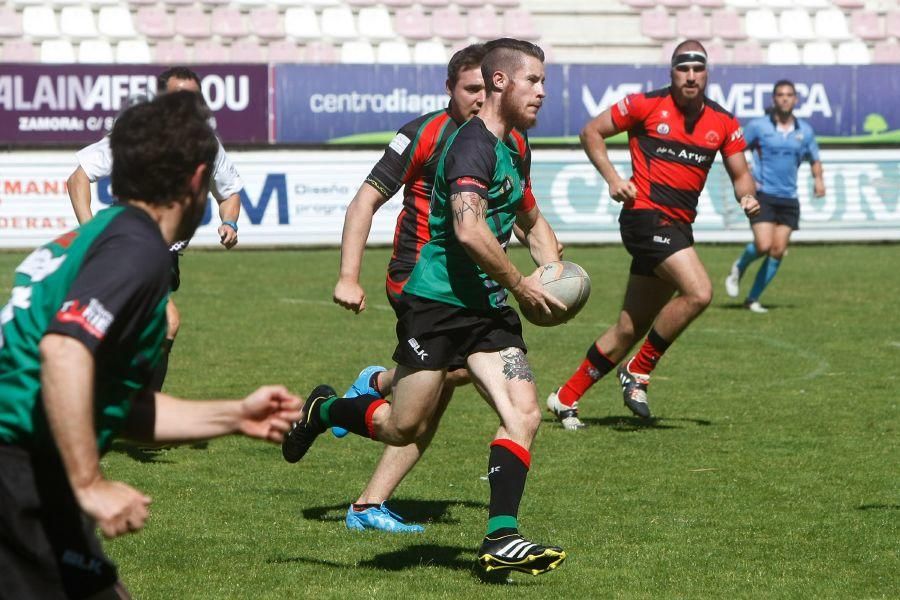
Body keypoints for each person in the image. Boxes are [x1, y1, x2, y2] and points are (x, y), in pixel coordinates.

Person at [0, 91, 301, 600]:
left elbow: (113, 406)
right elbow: (63, 351)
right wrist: (90, 481)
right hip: (20, 471)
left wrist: (233, 417)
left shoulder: (105, 234)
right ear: (197, 181)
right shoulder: (138, 251)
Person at [284, 38, 567, 576]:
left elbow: (529, 216)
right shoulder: (467, 146)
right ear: (501, 82)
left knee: (523, 414)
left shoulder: (516, 146)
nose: (543, 92)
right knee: (402, 427)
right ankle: (324, 411)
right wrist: (522, 285)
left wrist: (552, 270)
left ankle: (501, 535)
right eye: (533, 80)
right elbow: (468, 228)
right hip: (434, 302)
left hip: (486, 307)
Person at [546, 40, 760, 428]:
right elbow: (591, 132)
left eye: (697, 69)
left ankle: (565, 397)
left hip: (677, 226)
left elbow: (741, 175)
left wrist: (747, 199)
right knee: (699, 292)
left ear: (707, 73)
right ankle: (638, 371)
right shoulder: (643, 105)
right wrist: (613, 179)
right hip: (645, 218)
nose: (690, 76)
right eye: (683, 68)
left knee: (630, 326)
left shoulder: (723, 122)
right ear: (672, 72)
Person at [330, 44, 487, 533]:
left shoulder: (503, 141)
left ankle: (375, 388)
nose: (481, 98)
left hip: (467, 287)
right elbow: (363, 203)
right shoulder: (421, 134)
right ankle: (347, 413)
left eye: (488, 87)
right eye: (470, 89)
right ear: (449, 89)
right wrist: (348, 276)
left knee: (441, 386)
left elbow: (497, 209)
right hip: (417, 281)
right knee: (453, 381)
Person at [67, 66, 244, 392]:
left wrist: (229, 222)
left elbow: (229, 192)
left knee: (136, 328)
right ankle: (137, 410)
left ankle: (122, 404)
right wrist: (89, 229)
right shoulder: (138, 135)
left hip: (164, 257)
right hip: (127, 246)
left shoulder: (207, 144)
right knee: (165, 322)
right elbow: (78, 178)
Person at [725, 79, 825, 313]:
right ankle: (739, 267)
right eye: (780, 94)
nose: (785, 98)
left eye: (789, 94)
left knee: (778, 250)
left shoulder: (804, 131)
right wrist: (745, 171)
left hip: (789, 198)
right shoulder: (759, 127)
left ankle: (753, 299)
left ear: (795, 99)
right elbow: (736, 149)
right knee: (763, 244)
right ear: (774, 99)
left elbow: (815, 158)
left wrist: (818, 179)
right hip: (763, 194)